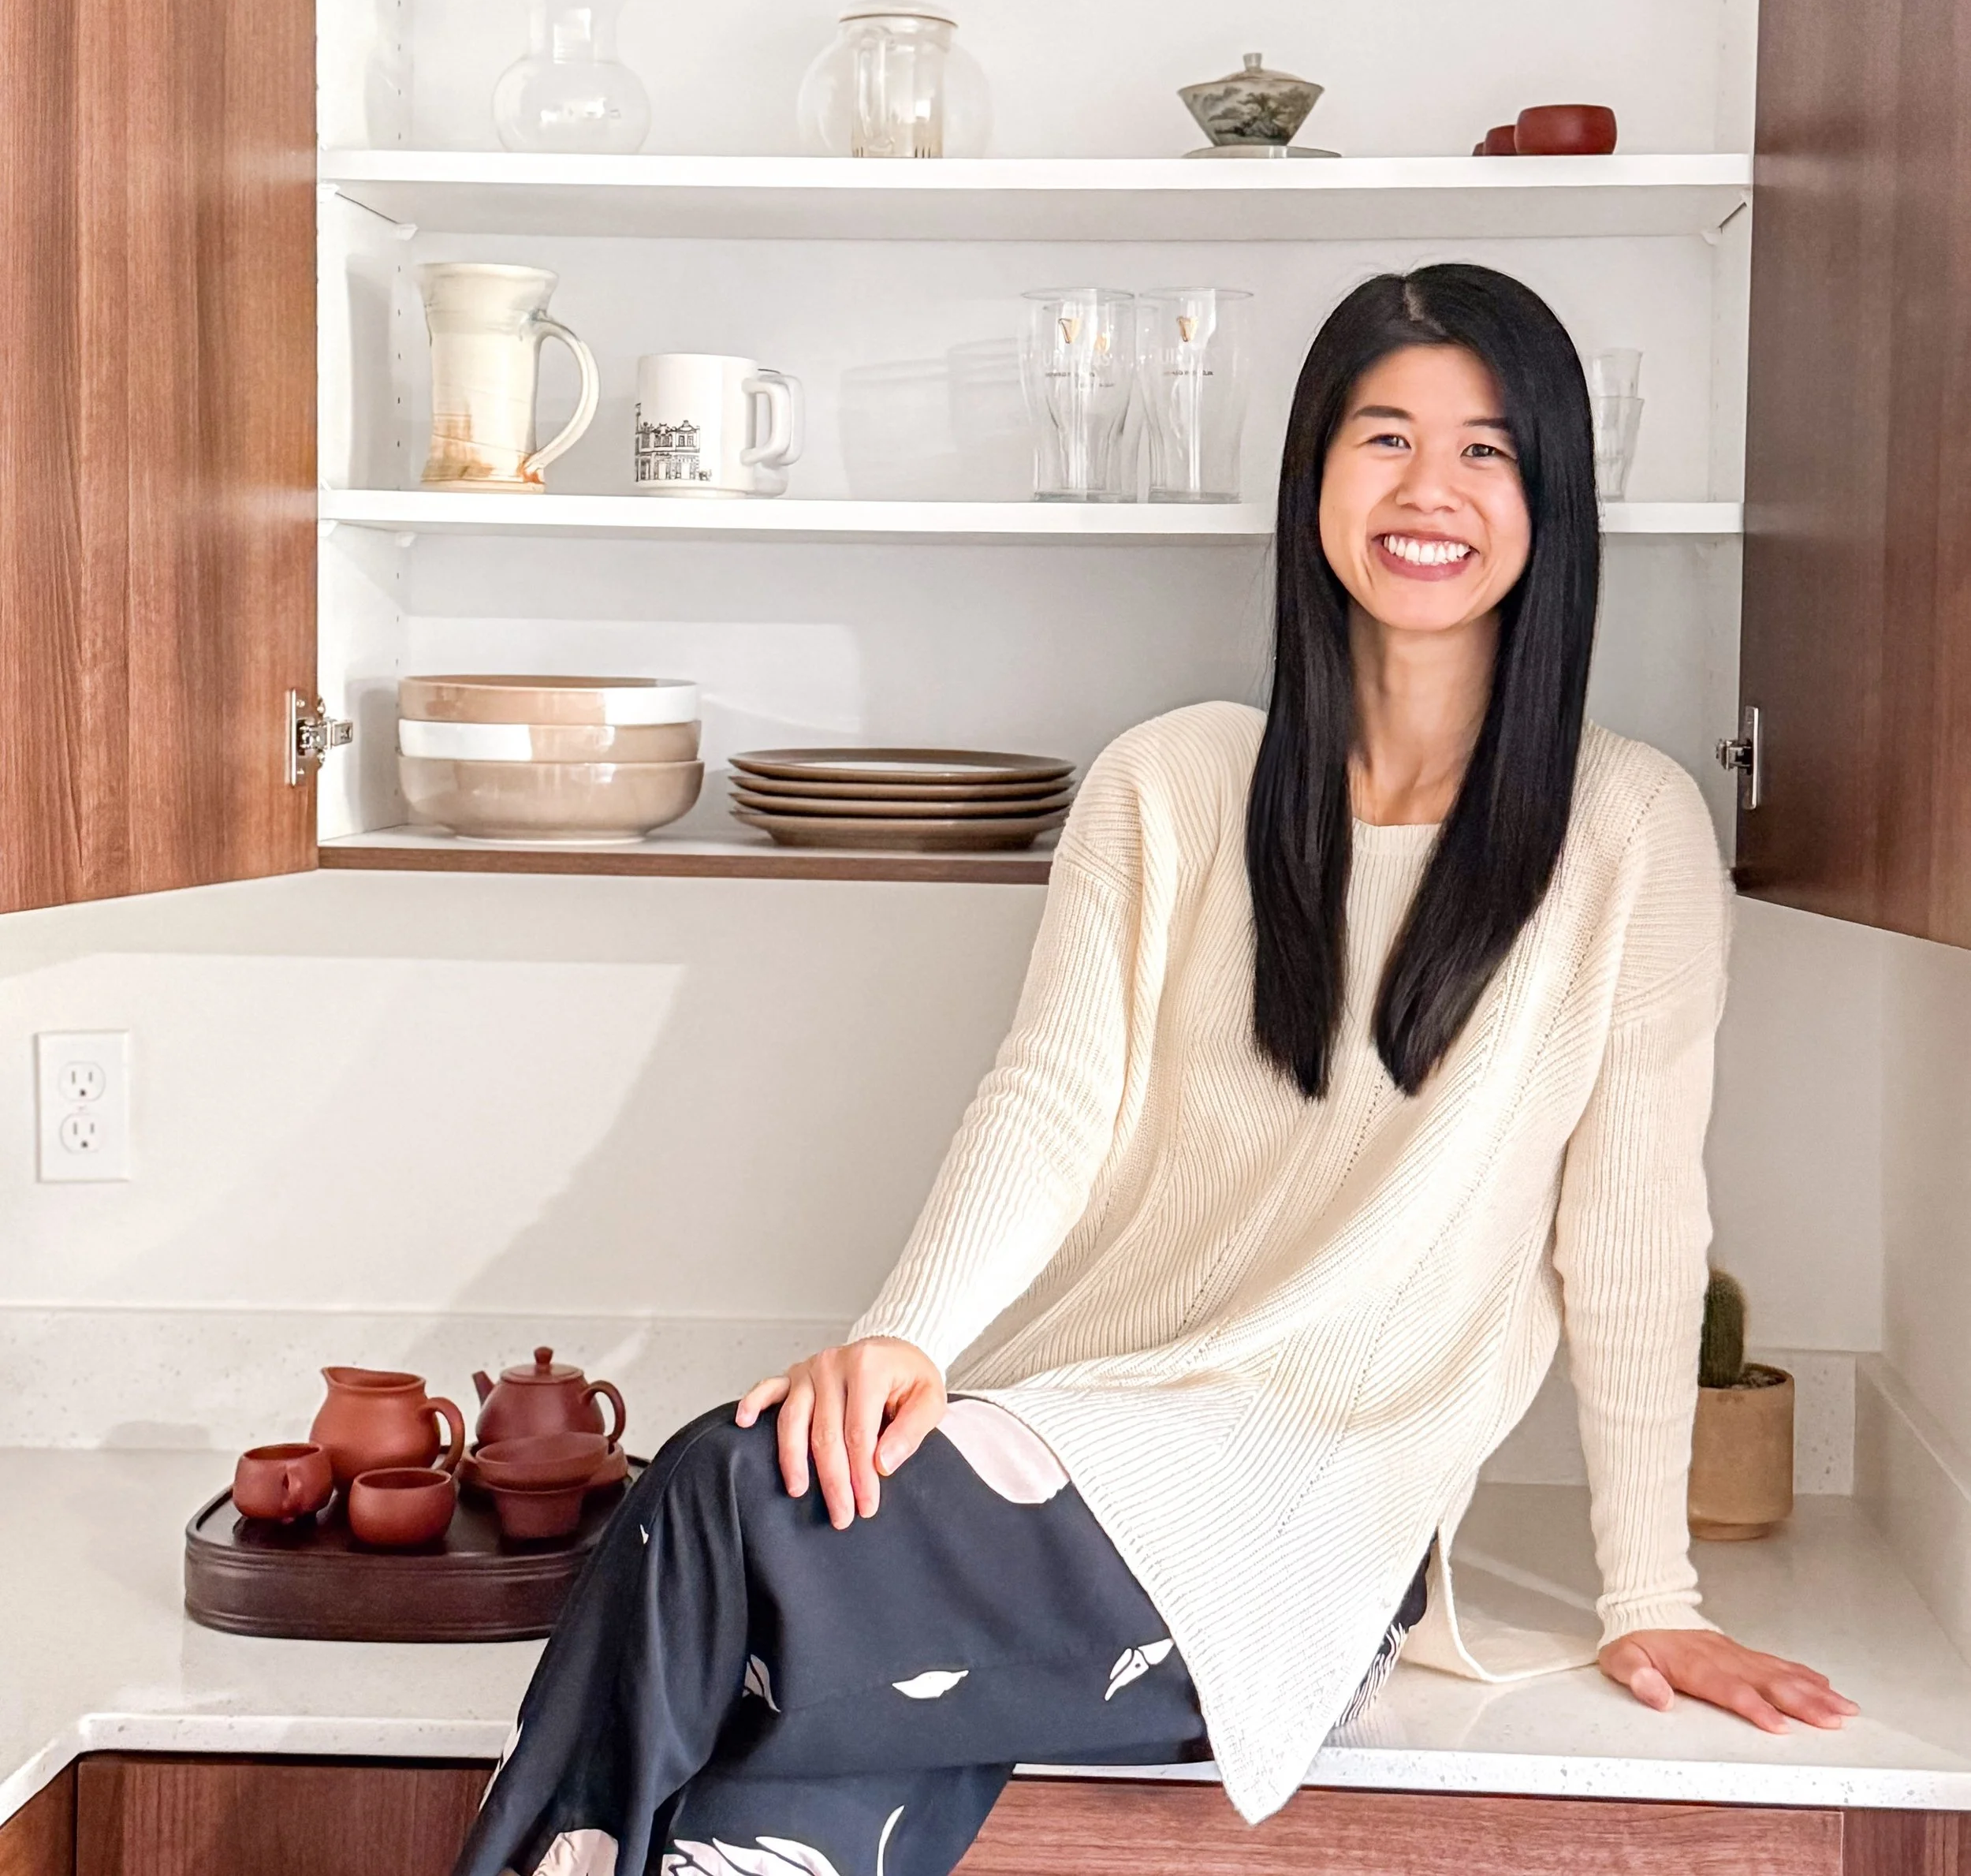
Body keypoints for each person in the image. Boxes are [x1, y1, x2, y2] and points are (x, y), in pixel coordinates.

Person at [457, 264, 1856, 1876]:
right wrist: (904, 1335)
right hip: (1065, 1450)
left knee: (718, 1489)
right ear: (1310, 478)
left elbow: (1626, 1233)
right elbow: (1048, 1097)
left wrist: (1651, 1598)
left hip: (1297, 1535)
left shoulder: (1624, 831)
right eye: (1381, 436)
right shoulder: (1174, 781)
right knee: (760, 1822)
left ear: (1549, 497)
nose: (1427, 490)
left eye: (1486, 452)